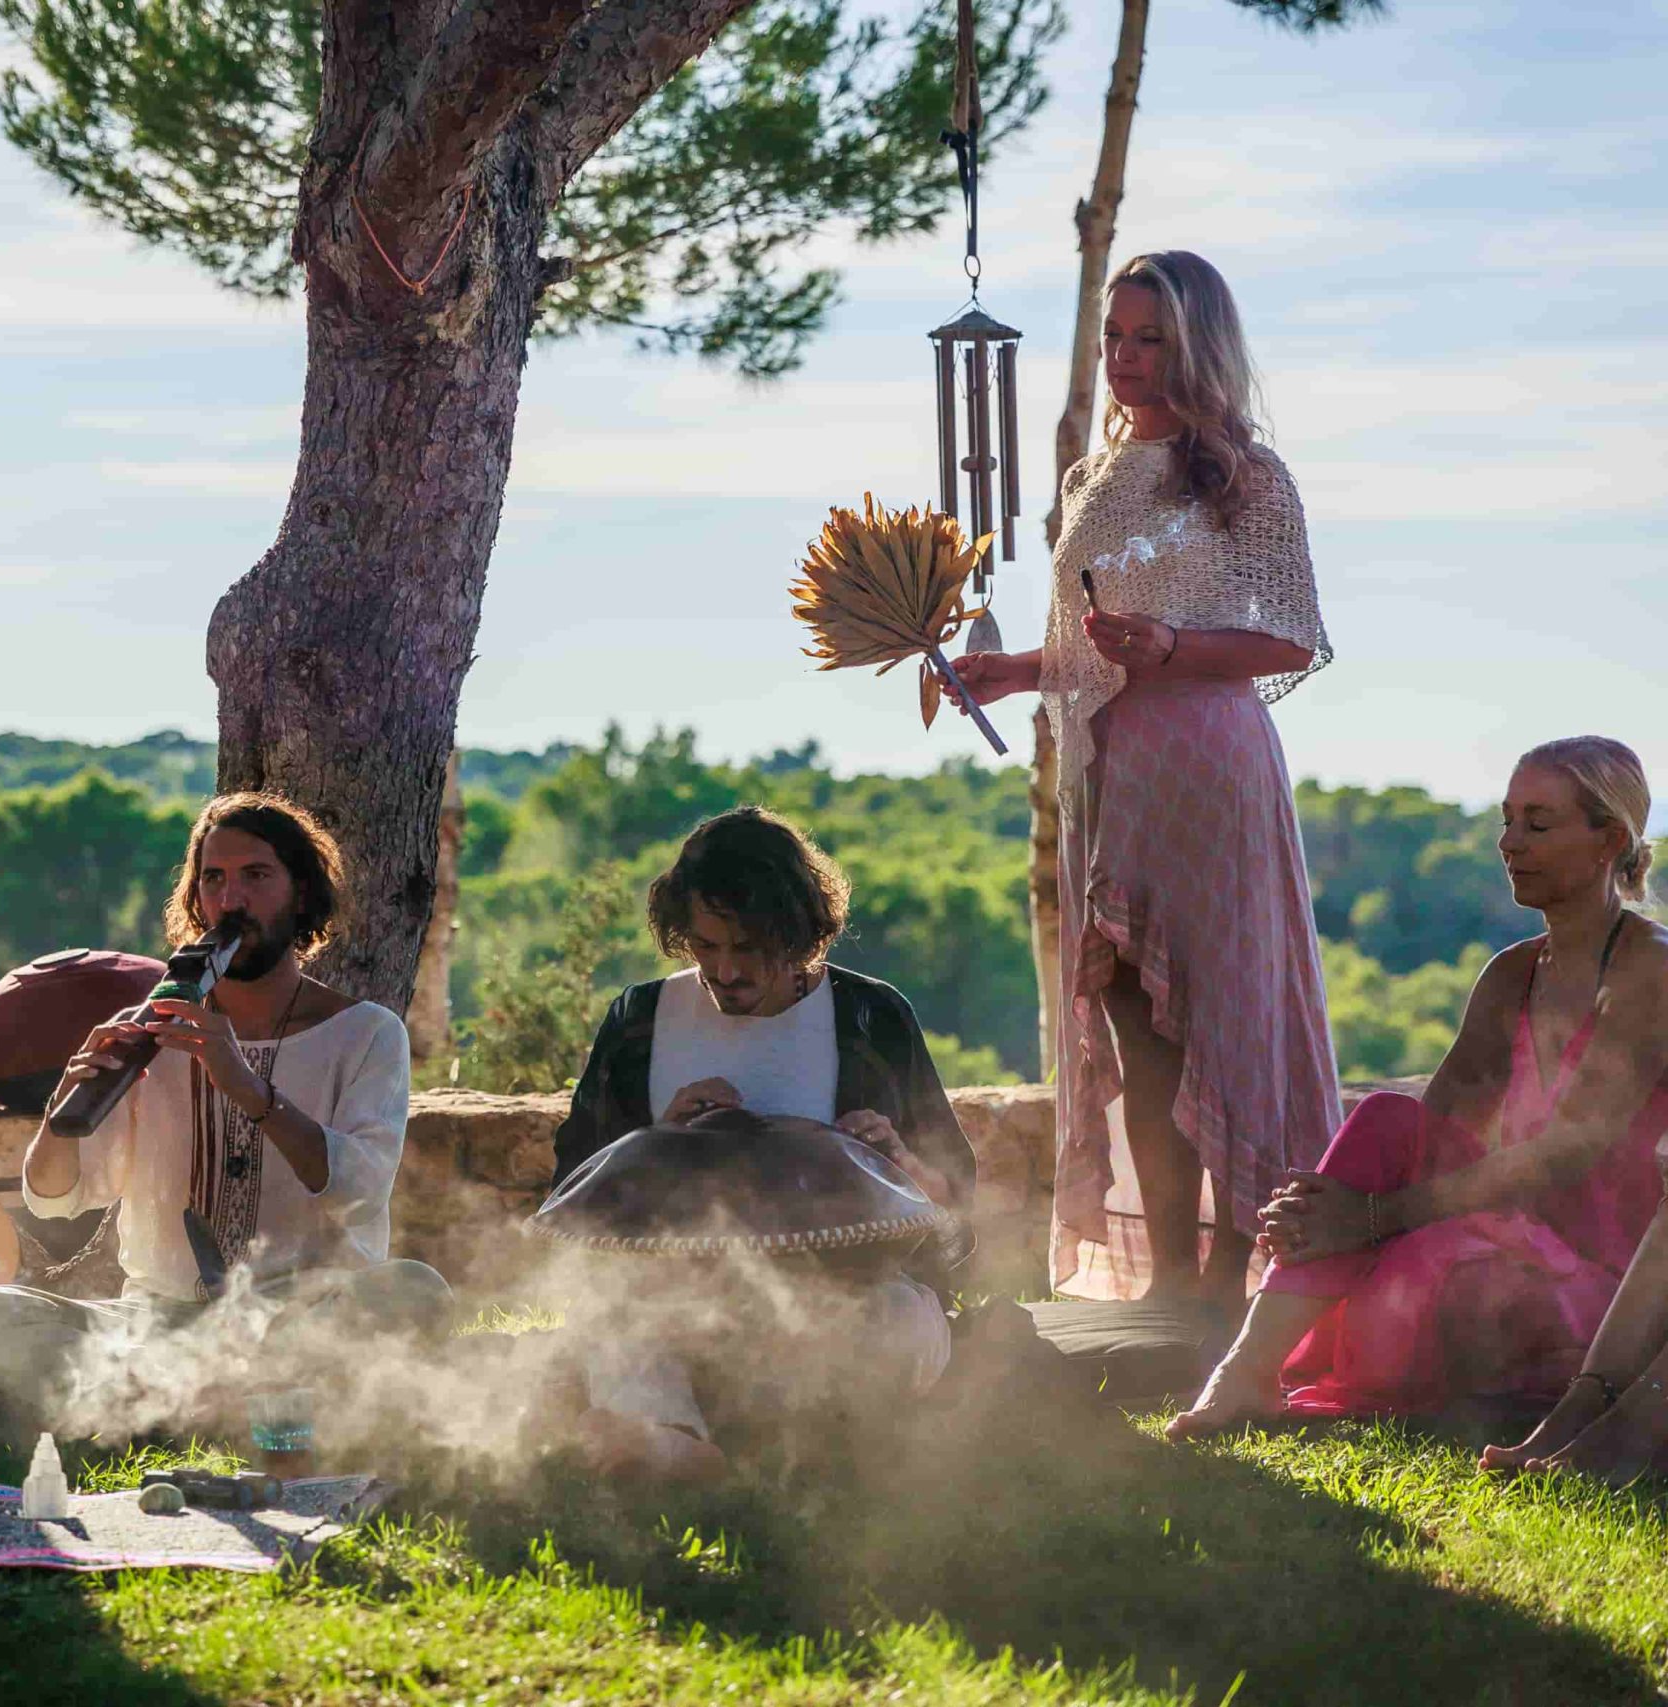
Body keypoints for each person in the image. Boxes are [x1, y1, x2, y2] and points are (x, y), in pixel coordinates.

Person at [950, 250, 1338, 1311]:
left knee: (1220, 1019)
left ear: (1197, 344)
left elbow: (1291, 642)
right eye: (1114, 337)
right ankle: (1171, 1278)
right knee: (1132, 1022)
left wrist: (1170, 645)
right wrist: (1013, 671)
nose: (1124, 359)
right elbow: (1085, 648)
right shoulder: (1092, 476)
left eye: (1148, 338)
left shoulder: (1247, 477)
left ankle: (1231, 1273)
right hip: (1106, 771)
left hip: (1209, 771)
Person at [1168, 740, 1667, 1440]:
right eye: (1507, 819)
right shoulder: (1512, 973)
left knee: (1424, 1290)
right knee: (1384, 1122)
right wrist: (1327, 1212)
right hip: (1513, 1240)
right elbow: (1422, 1138)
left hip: (1609, 1284)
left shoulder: (1650, 968)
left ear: (1610, 837)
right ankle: (1249, 1364)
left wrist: (1368, 1219)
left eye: (1538, 823)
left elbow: (1565, 1156)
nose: (1508, 842)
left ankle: (1274, 1355)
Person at [0, 793, 453, 1428]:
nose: (231, 900)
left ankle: (172, 1410)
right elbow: (54, 1199)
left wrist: (244, 1084)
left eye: (256, 876)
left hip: (301, 1317)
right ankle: (226, 1405)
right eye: (213, 879)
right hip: (159, 1324)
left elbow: (358, 1189)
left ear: (301, 894)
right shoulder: (145, 1035)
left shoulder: (367, 1034)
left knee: (412, 1290)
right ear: (196, 900)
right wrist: (62, 1111)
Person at [550, 807, 977, 1479]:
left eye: (748, 949)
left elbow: (958, 1218)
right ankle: (676, 1445)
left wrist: (899, 1163)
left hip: (843, 1308)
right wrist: (653, 1140)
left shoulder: (871, 1018)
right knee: (613, 1324)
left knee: (893, 1319)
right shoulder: (640, 1020)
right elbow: (573, 1196)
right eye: (705, 945)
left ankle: (779, 1443)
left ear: (799, 932)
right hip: (684, 1313)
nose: (724, 971)